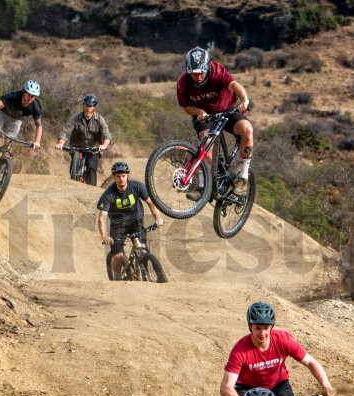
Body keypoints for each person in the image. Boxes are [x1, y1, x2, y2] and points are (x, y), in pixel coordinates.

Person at [220, 301, 336, 396]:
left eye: (266, 328)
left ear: (272, 327)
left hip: (278, 385)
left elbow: (311, 362)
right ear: (250, 326)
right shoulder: (240, 350)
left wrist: (326, 385)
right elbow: (226, 387)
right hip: (250, 389)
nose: (262, 333)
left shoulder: (283, 340)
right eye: (257, 328)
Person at [176, 46, 253, 200]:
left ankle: (243, 178)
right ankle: (203, 187)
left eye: (202, 72)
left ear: (208, 68)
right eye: (194, 73)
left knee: (247, 130)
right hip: (203, 115)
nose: (198, 76)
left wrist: (244, 100)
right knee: (207, 142)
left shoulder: (217, 71)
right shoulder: (183, 82)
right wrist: (198, 111)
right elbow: (186, 107)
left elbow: (235, 86)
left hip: (227, 109)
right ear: (188, 70)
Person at [96, 161, 164, 278]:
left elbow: (151, 203)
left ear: (128, 175)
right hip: (118, 225)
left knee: (143, 251)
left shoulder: (137, 186)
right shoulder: (109, 193)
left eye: (123, 176)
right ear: (114, 177)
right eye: (118, 176)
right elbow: (102, 216)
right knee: (118, 256)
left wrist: (157, 218)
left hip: (135, 222)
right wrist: (105, 236)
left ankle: (145, 275)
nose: (121, 179)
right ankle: (116, 280)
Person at [55, 94, 112, 187]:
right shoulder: (76, 118)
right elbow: (65, 131)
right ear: (83, 105)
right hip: (77, 147)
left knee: (91, 167)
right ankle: (74, 180)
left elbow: (107, 135)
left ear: (94, 107)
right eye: (86, 105)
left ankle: (91, 190)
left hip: (93, 149)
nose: (87, 108)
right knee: (74, 165)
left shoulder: (99, 119)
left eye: (90, 106)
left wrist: (104, 145)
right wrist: (60, 144)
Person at [0, 80, 43, 154]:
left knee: (7, 148)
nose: (30, 98)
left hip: (15, 120)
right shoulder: (14, 95)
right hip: (2, 114)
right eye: (29, 95)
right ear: (24, 92)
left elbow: (38, 126)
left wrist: (37, 142)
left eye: (32, 96)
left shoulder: (36, 106)